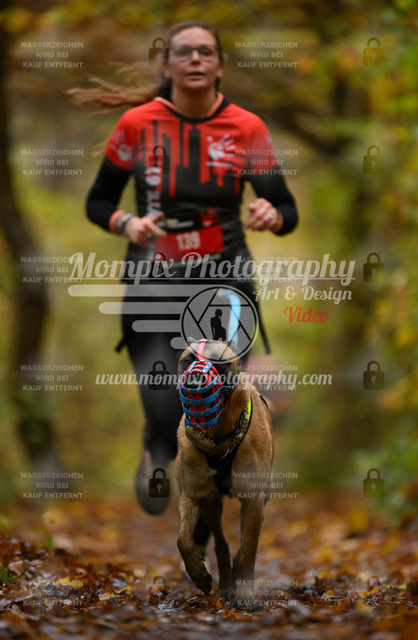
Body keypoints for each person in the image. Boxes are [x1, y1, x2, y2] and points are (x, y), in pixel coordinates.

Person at [83, 21, 298, 543]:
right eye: (185, 51)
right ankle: (159, 446)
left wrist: (271, 213)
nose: (196, 59)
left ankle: (200, 533)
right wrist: (127, 223)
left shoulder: (246, 127)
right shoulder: (138, 124)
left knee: (219, 402)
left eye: (206, 51)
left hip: (226, 279)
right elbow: (98, 201)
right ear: (167, 64)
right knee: (166, 397)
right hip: (154, 277)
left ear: (220, 64)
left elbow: (285, 208)